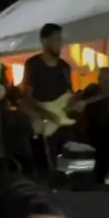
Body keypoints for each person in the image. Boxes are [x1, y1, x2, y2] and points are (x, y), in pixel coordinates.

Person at [22, 24, 81, 165]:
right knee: (48, 162)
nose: (60, 43)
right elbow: (27, 95)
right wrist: (44, 113)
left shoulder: (64, 67)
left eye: (61, 39)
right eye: (56, 39)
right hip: (44, 121)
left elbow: (69, 95)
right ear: (44, 41)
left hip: (63, 122)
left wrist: (75, 103)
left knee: (71, 158)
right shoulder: (33, 64)